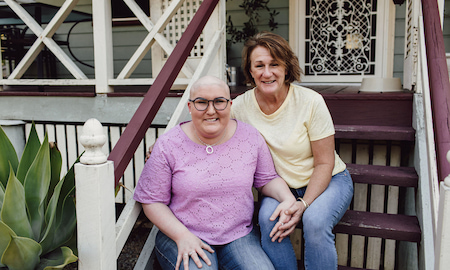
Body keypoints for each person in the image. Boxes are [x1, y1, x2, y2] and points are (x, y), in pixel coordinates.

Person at [134, 75, 301, 270]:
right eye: (201, 102)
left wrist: (288, 199)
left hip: (238, 235)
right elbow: (152, 200)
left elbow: (267, 179)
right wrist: (182, 236)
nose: (211, 110)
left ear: (230, 105)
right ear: (190, 107)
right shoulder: (168, 145)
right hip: (182, 233)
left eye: (219, 102)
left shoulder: (250, 137)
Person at [230, 31, 354, 270]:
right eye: (259, 65)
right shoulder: (240, 107)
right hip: (280, 188)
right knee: (269, 220)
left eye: (274, 64)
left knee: (315, 222)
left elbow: (325, 163)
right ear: (250, 70)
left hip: (329, 181)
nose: (267, 73)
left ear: (286, 67)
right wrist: (169, 140)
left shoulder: (311, 102)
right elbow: (208, 120)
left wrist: (304, 204)